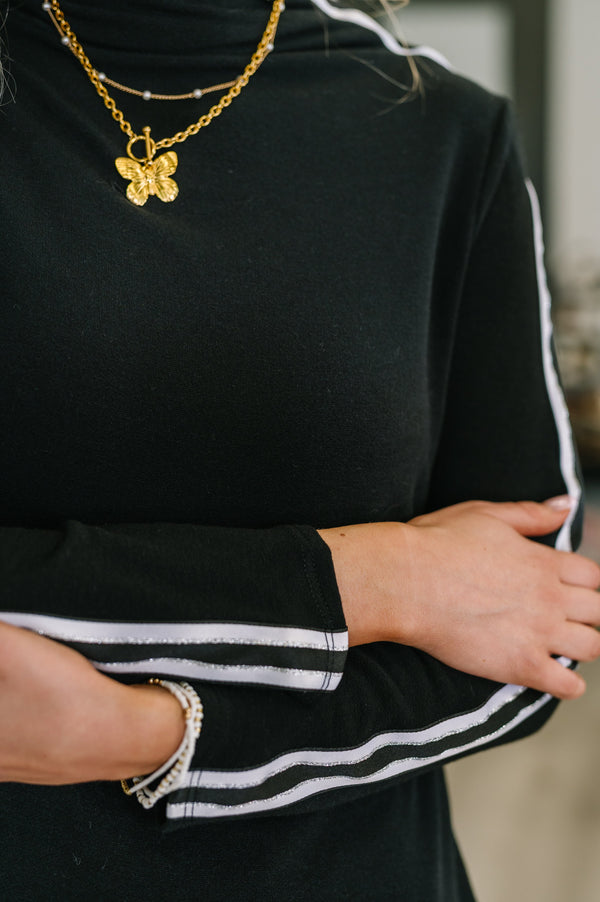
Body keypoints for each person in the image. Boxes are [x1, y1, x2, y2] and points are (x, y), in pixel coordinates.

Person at [1, 1, 599, 899]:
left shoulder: (441, 126)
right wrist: (377, 583)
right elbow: (455, 600)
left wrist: (163, 734)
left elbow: (531, 634)